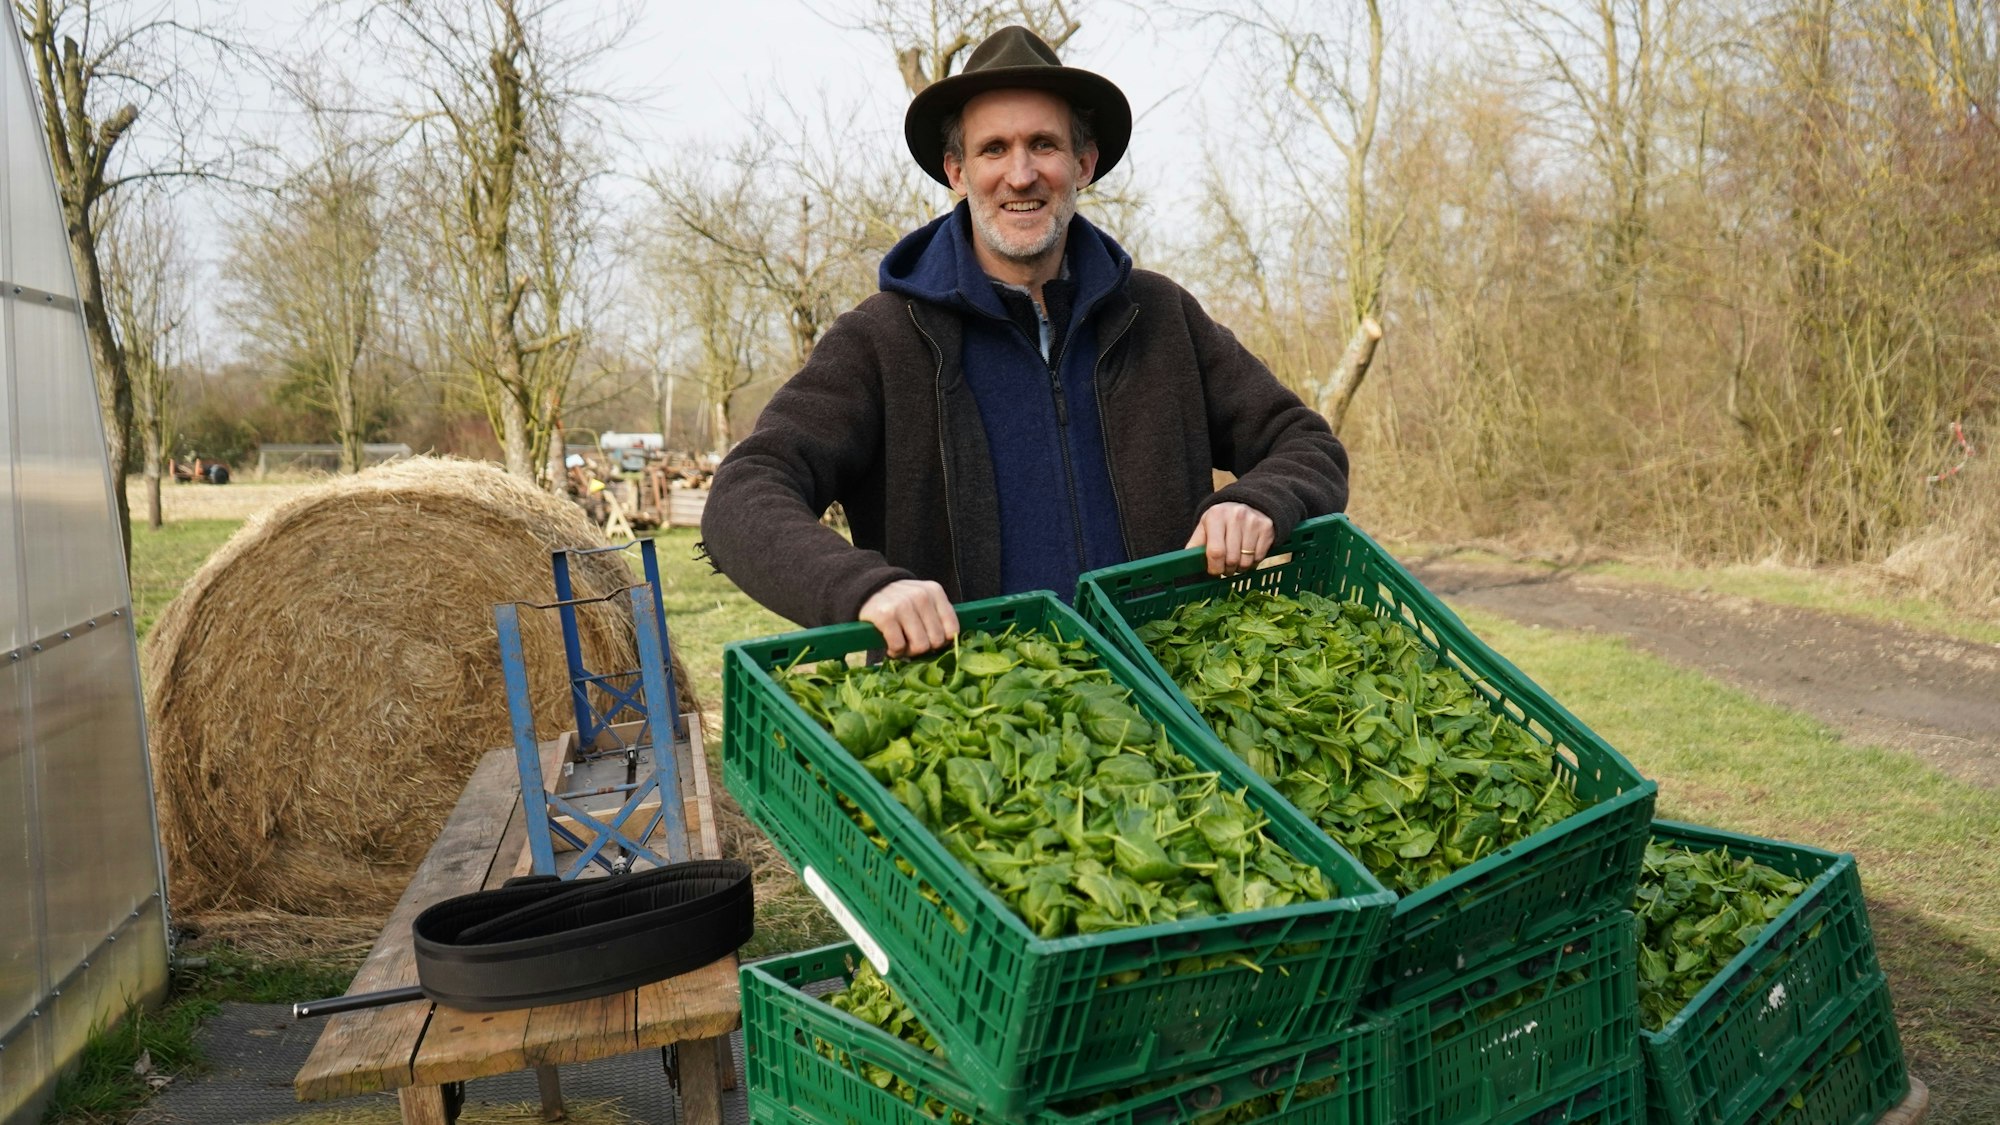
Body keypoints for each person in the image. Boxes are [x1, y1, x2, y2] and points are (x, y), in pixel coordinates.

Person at [701, 25, 1349, 656]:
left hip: (1169, 703)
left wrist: (1257, 501)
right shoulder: (882, 339)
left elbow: (1307, 444)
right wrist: (864, 588)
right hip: (971, 726)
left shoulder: (1160, 317)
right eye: (993, 150)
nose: (1020, 174)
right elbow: (743, 495)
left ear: (1082, 164)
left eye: (1043, 145)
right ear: (956, 170)